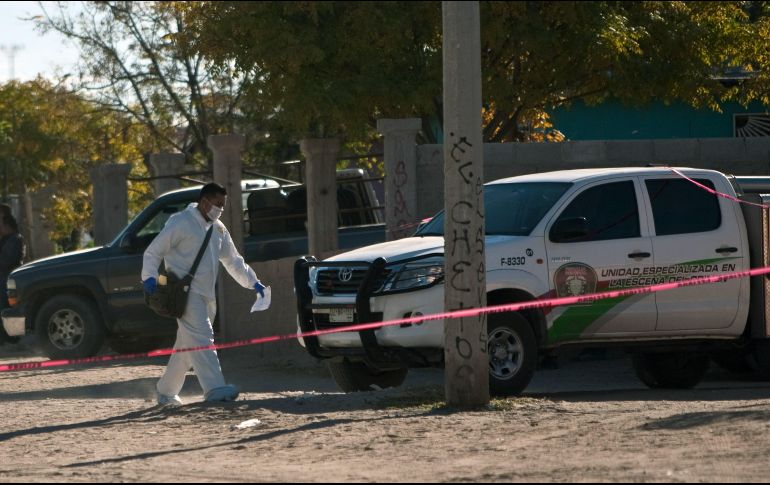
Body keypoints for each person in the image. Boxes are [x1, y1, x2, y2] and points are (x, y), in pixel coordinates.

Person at [141, 182, 267, 406]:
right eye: (217, 204)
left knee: (187, 347)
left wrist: (254, 283)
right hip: (184, 296)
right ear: (205, 202)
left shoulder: (218, 229)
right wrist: (149, 277)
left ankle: (165, 391)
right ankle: (215, 388)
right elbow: (154, 251)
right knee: (203, 339)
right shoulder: (181, 222)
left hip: (208, 297)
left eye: (223, 205)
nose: (220, 209)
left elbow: (234, 261)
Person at [0, 214, 25, 345]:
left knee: (10, 309)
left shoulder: (15, 240)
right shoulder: (6, 240)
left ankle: (13, 341)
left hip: (9, 280)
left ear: (7, 225)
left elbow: (6, 260)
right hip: (4, 279)